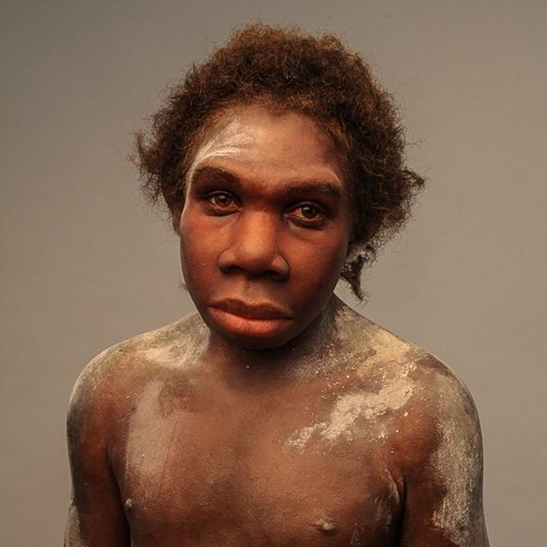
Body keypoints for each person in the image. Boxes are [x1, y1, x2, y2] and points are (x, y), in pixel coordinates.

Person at [65, 24, 489, 546]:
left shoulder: (416, 410)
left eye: (307, 210)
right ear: (177, 205)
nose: (254, 253)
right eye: (221, 199)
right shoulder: (114, 393)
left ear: (358, 231)